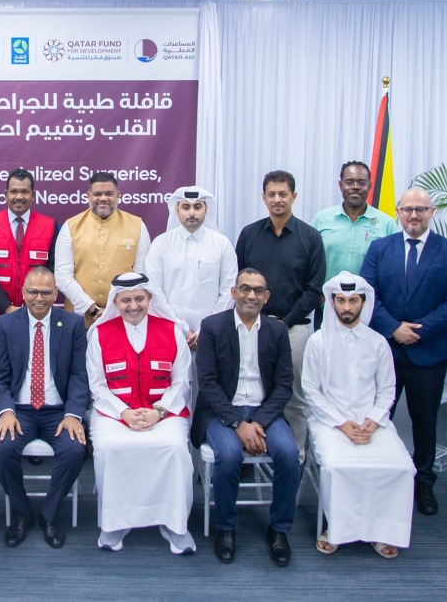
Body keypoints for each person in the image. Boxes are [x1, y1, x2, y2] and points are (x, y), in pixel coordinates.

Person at [360, 187, 447, 516]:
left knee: (425, 422)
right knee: (378, 418)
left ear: (431, 212)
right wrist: (394, 328)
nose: (413, 216)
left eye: (420, 210)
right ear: (398, 212)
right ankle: (375, 479)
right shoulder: (380, 248)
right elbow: (368, 294)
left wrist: (417, 331)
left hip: (429, 351)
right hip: (386, 350)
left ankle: (423, 482)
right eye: (407, 209)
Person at [302, 271, 416, 559]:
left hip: (372, 422)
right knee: (338, 465)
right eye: (340, 300)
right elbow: (310, 391)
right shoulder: (317, 341)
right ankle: (337, 529)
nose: (347, 308)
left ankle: (383, 531)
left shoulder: (378, 342)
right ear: (332, 302)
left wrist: (374, 421)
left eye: (353, 300)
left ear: (364, 303)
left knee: (400, 466)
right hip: (330, 422)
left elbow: (387, 390)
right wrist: (342, 424)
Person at [194, 268, 300, 566]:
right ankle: (226, 528)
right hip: (222, 411)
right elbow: (208, 383)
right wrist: (238, 423)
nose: (250, 295)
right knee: (228, 456)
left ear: (266, 297)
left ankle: (279, 529)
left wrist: (258, 422)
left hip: (264, 412)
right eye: (244, 288)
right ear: (233, 292)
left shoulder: (277, 330)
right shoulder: (213, 326)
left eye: (257, 290)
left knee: (290, 455)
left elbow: (283, 384)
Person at [87, 273, 195, 555]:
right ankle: (113, 522)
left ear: (150, 299)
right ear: (115, 302)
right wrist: (123, 413)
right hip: (115, 415)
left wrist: (158, 412)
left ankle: (174, 523)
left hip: (164, 413)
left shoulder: (172, 331)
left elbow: (182, 381)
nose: (133, 306)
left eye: (139, 299)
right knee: (110, 448)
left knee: (173, 449)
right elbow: (97, 385)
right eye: (125, 300)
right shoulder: (99, 333)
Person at [0, 267, 88, 548]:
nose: (39, 298)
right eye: (33, 291)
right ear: (23, 293)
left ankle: (49, 515)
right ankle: (21, 514)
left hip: (58, 412)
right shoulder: (5, 325)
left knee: (73, 451)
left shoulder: (71, 324)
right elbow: (0, 377)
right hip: (19, 410)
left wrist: (73, 415)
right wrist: (6, 410)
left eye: (46, 292)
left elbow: (79, 376)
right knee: (2, 450)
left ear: (56, 294)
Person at [234, 170, 325, 457]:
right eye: (271, 194)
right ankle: (248, 450)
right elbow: (238, 281)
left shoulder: (309, 237)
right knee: (248, 390)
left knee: (294, 396)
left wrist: (283, 323)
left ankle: (294, 455)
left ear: (294, 197)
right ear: (263, 197)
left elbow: (314, 289)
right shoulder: (249, 234)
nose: (277, 199)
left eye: (283, 194)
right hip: (250, 327)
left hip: (293, 329)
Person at [146, 185, 238, 353]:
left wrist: (205, 329)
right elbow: (154, 291)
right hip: (169, 330)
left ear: (206, 209)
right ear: (177, 209)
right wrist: (180, 327)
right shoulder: (160, 244)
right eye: (186, 207)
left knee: (207, 378)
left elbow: (229, 291)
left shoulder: (222, 244)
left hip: (212, 333)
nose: (192, 213)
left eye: (197, 207)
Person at [54, 171, 152, 328]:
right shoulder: (71, 226)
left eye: (109, 193)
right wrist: (92, 308)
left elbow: (141, 278)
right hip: (79, 321)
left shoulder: (138, 226)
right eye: (97, 194)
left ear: (118, 195)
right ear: (88, 196)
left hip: (123, 318)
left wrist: (114, 310)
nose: (103, 198)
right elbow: (62, 277)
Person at [0, 168, 58, 335]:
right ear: (6, 194)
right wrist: (7, 308)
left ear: (33, 195)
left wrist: (33, 306)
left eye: (24, 192)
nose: (19, 197)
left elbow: (53, 270)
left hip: (37, 314)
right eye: (14, 191)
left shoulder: (49, 226)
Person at [311, 160, 399, 285]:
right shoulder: (321, 219)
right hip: (326, 300)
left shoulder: (387, 224)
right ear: (340, 185)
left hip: (370, 300)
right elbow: (309, 262)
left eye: (362, 183)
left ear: (370, 185)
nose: (355, 187)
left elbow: (394, 267)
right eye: (349, 182)